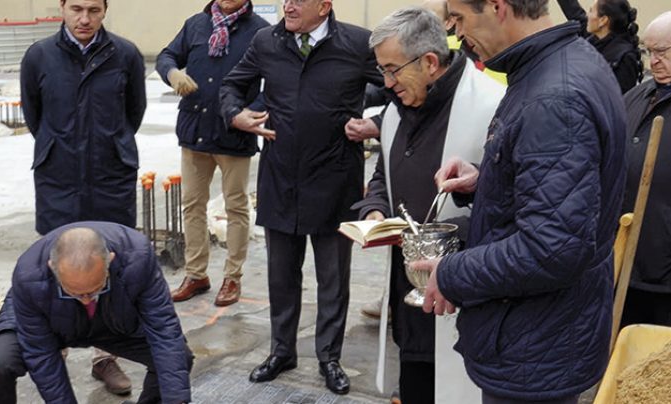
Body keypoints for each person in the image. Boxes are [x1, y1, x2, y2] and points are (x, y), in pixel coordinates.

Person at [409, 0, 627, 403]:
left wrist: (452, 272)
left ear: (497, 6)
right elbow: (564, 189)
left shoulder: (553, 97)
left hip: (536, 342)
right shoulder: (563, 63)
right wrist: (488, 176)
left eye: (458, 18)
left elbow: (552, 248)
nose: (455, 34)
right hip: (546, 334)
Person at [219, 0, 383, 395]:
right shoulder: (266, 41)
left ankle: (329, 357)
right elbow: (232, 84)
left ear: (324, 6)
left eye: (298, 0)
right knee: (280, 274)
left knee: (332, 278)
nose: (287, 6)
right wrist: (236, 115)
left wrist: (374, 125)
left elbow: (401, 86)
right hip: (280, 179)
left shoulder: (358, 44)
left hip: (334, 180)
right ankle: (282, 351)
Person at [350, 8, 505, 404]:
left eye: (392, 69)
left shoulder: (492, 105)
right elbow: (382, 173)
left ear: (430, 62)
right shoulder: (396, 110)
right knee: (417, 383)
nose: (386, 83)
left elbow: (511, 198)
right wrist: (374, 210)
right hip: (411, 299)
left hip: (466, 294)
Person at [19, 0, 145, 394]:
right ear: (62, 7)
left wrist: (108, 145)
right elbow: (33, 115)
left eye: (94, 9)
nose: (85, 18)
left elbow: (134, 113)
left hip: (110, 177)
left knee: (110, 269)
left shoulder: (125, 55)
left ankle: (104, 356)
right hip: (59, 180)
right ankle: (54, 353)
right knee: (56, 267)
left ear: (105, 9)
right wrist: (61, 149)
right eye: (76, 8)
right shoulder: (39, 56)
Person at [0, 222, 193, 404]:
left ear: (111, 260)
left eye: (94, 289)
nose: (86, 299)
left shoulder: (137, 257)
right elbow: (41, 354)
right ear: (53, 267)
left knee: (179, 357)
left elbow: (163, 329)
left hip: (111, 318)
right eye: (75, 292)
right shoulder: (30, 275)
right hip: (50, 318)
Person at [156, 0, 269, 307]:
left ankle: (232, 277)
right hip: (195, 130)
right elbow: (166, 56)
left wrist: (250, 112)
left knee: (236, 207)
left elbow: (273, 82)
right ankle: (196, 274)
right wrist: (172, 73)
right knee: (192, 205)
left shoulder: (260, 31)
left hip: (233, 132)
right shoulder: (196, 25)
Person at [620, 11, 671, 328]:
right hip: (626, 261)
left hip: (665, 275)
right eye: (649, 51)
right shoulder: (639, 95)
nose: (653, 61)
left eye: (663, 52)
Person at [558, 0, 642, 93]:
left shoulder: (624, 57)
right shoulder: (593, 41)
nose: (588, 15)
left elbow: (623, 99)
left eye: (591, 11)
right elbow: (576, 15)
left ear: (603, 20)